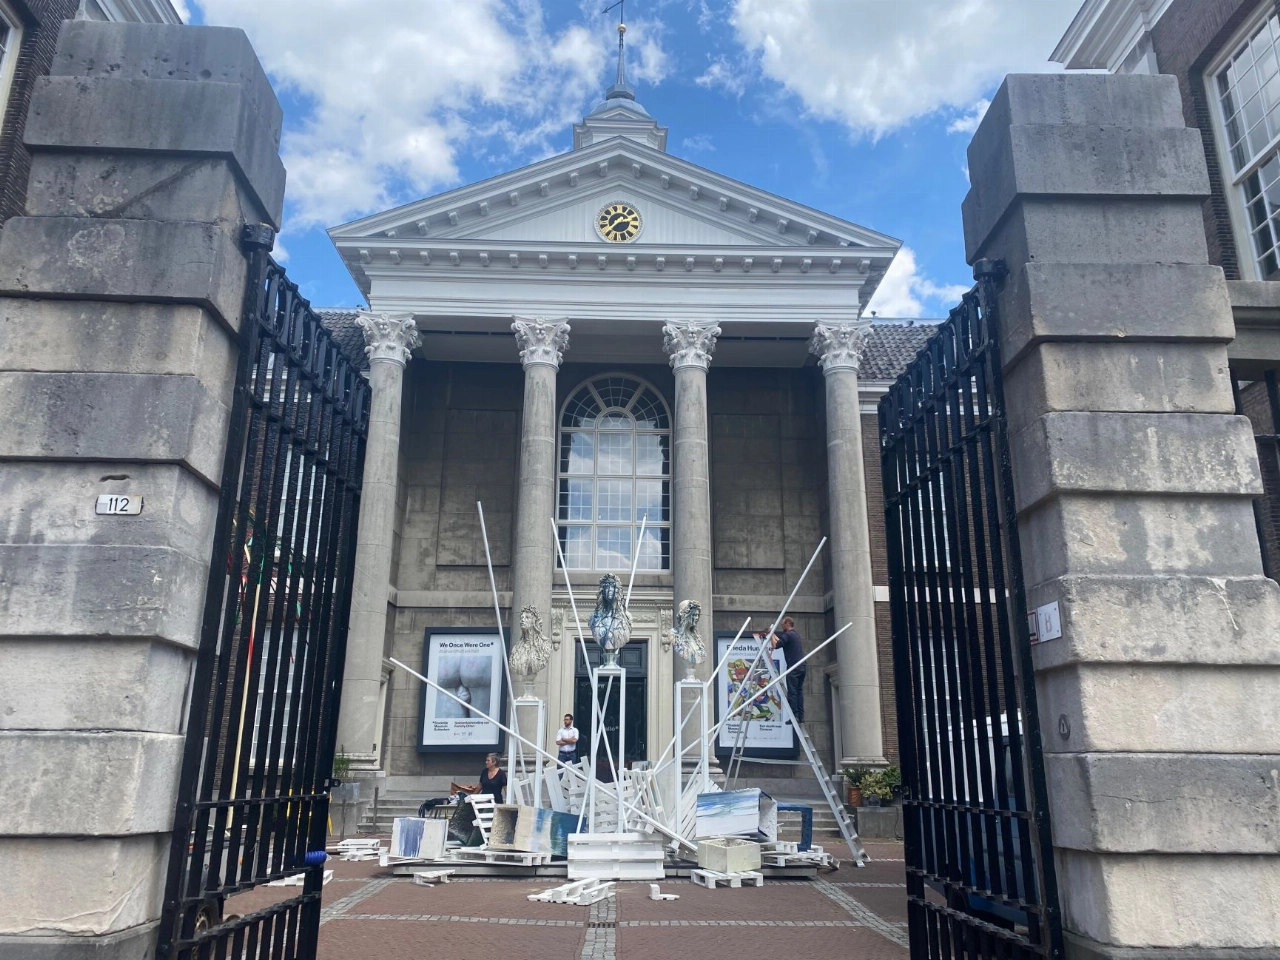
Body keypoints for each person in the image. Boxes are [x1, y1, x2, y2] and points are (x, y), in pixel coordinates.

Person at [761, 617, 805, 724]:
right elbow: (780, 641)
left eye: (782, 624)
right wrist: (773, 635)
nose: (781, 626)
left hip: (793, 667)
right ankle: (801, 716)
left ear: (788, 624)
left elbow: (776, 645)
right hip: (802, 666)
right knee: (799, 691)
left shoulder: (788, 635)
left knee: (793, 692)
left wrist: (771, 635)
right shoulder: (794, 635)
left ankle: (795, 716)